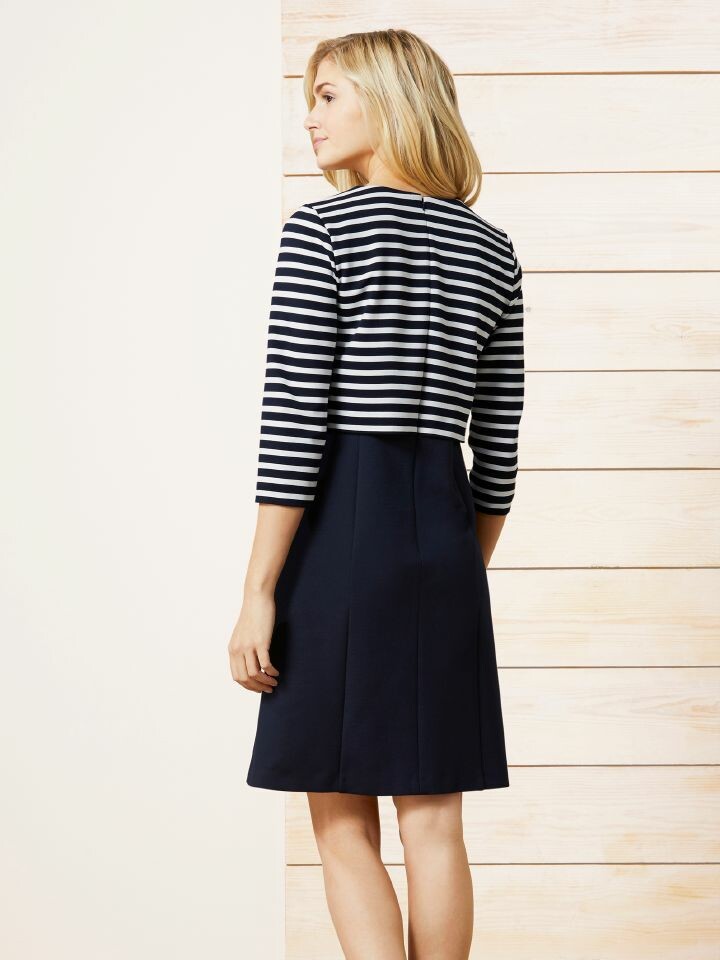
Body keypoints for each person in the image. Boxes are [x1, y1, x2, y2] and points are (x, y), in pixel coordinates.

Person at [229, 28, 524, 960]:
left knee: (340, 810)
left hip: (338, 535)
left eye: (328, 96)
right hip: (444, 538)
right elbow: (499, 450)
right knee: (434, 818)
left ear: (388, 100)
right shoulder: (493, 250)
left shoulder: (323, 231)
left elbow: (294, 426)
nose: (310, 118)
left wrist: (259, 592)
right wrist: (454, 572)